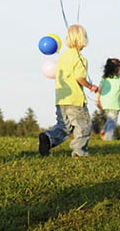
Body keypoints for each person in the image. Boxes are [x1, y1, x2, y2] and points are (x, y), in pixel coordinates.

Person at [39, 24, 98, 157]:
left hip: (61, 99)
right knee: (83, 126)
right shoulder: (81, 59)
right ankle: (79, 152)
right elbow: (79, 77)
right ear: (83, 39)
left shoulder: (62, 57)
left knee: (64, 127)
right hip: (75, 100)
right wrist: (90, 86)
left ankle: (48, 138)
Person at [97, 58, 120, 141]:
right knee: (112, 122)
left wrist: (97, 101)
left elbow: (99, 90)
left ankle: (104, 129)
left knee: (110, 119)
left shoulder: (104, 79)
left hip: (105, 104)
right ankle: (108, 139)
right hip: (114, 105)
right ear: (118, 69)